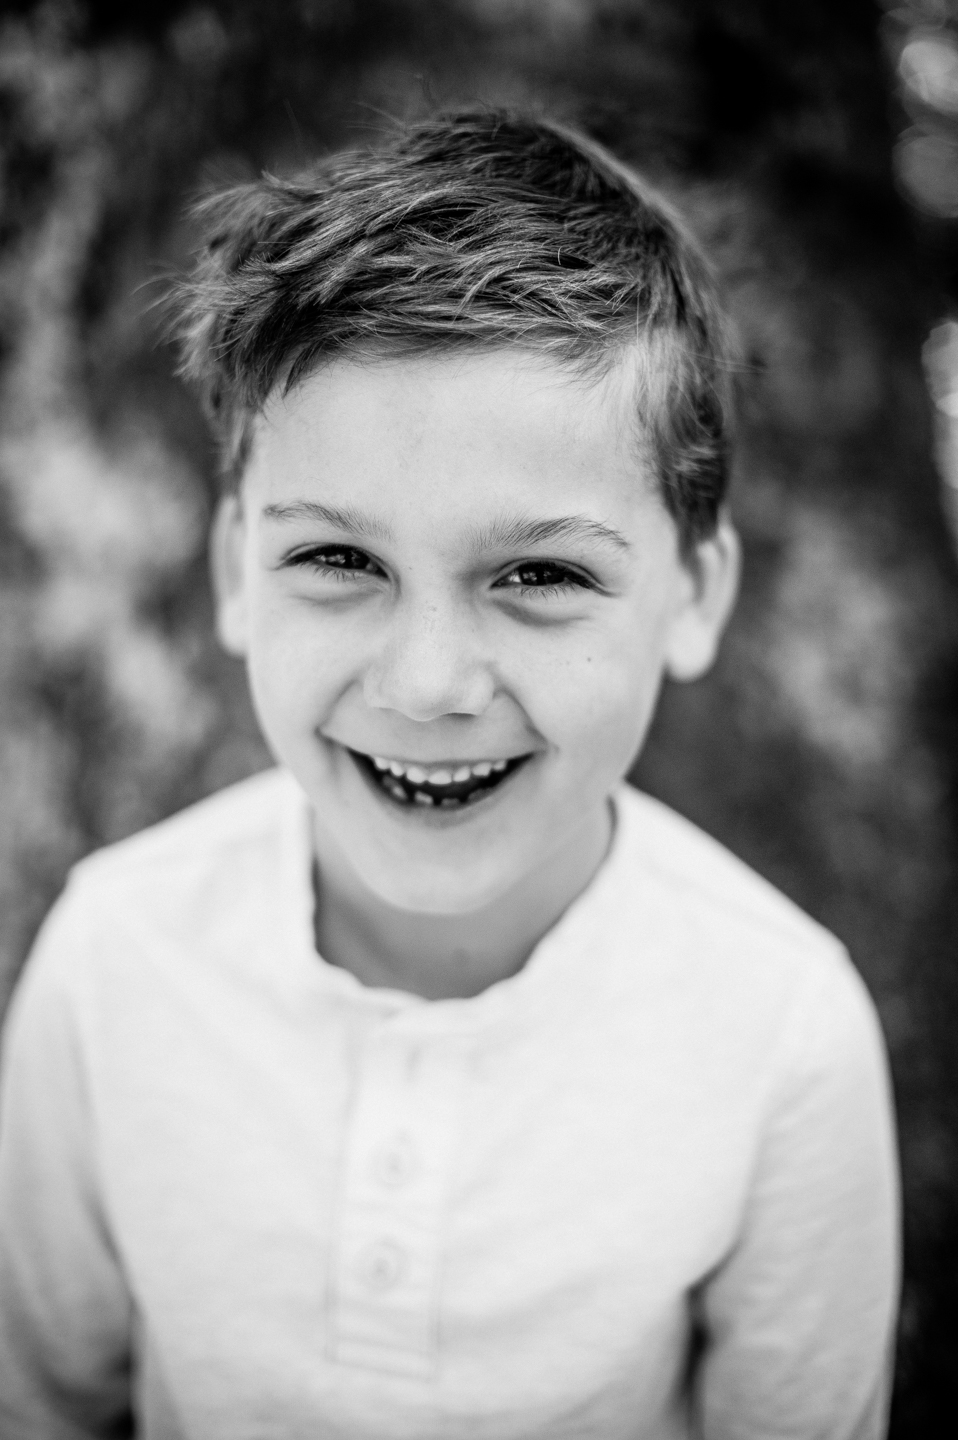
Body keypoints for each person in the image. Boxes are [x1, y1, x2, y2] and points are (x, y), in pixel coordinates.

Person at [0, 111, 899, 1440]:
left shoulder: (783, 1036)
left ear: (691, 599)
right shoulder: (114, 957)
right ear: (234, 571)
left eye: (539, 575)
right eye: (339, 561)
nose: (427, 684)